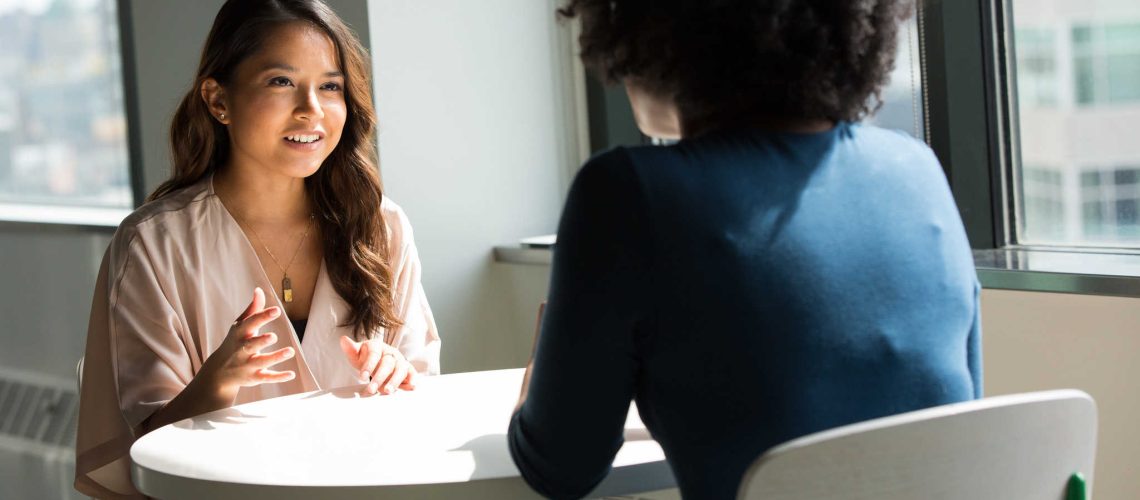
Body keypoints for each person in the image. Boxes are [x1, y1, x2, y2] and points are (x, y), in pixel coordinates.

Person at [508, 1, 981, 498]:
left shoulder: (628, 193)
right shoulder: (918, 171)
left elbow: (560, 468)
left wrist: (539, 381)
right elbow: (960, 418)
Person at [74, 1, 440, 497]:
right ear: (218, 100)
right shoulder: (154, 244)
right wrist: (215, 385)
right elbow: (143, 455)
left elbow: (424, 396)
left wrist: (397, 374)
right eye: (281, 82)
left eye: (330, 86)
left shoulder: (382, 225)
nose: (311, 108)